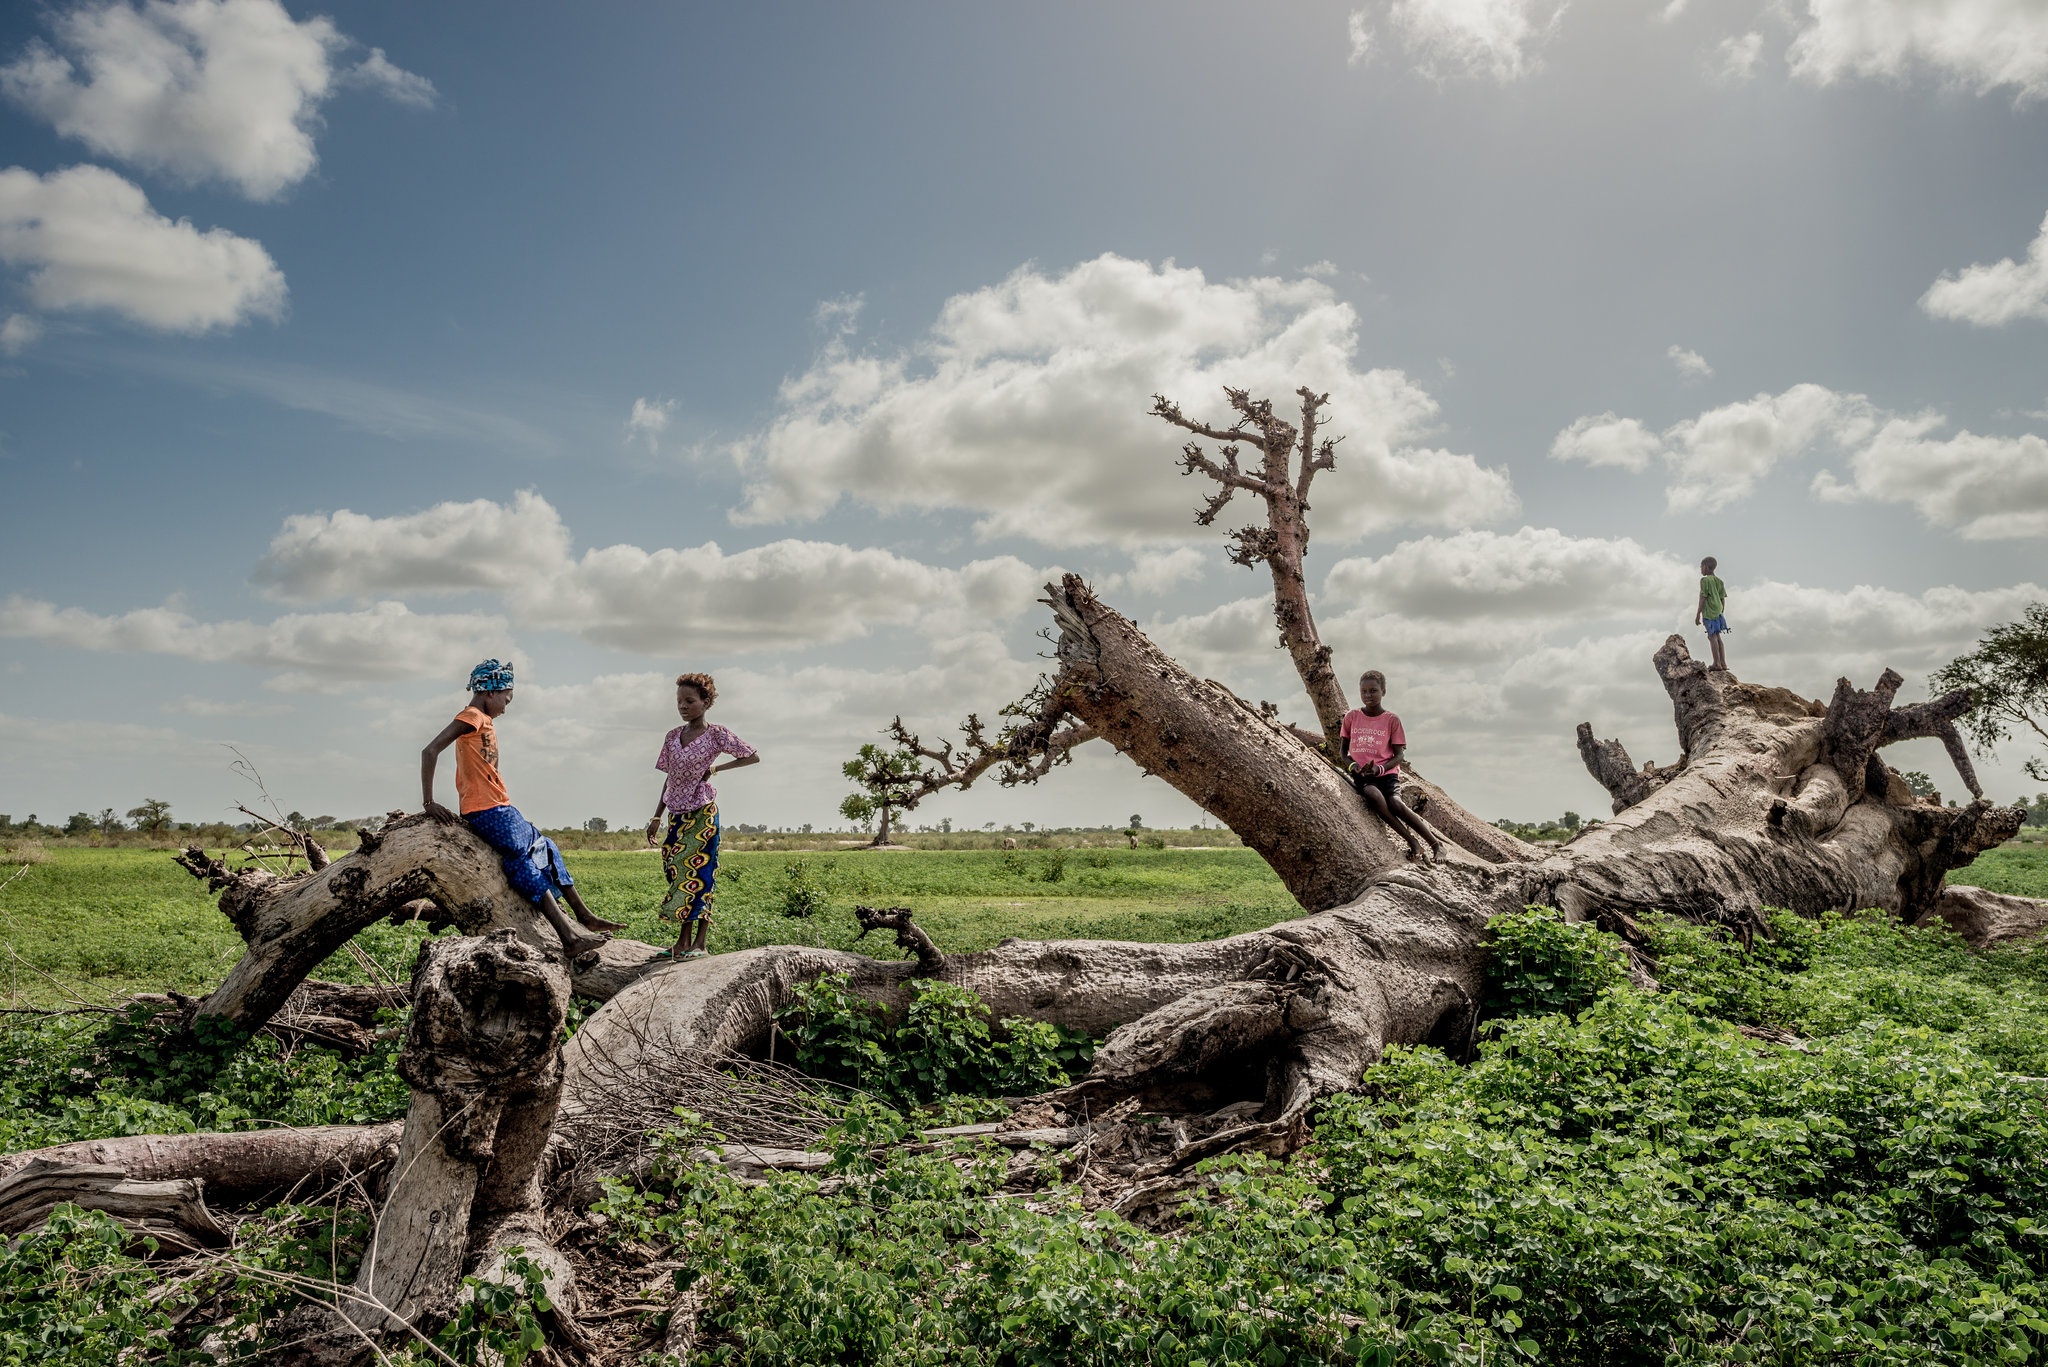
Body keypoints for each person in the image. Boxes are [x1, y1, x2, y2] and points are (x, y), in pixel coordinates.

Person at [421, 659, 620, 960]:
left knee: (546, 846)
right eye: (506, 699)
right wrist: (429, 802)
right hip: (487, 810)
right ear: (490, 692)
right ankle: (569, 937)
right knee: (520, 861)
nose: (505, 707)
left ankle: (584, 916)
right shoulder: (472, 716)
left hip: (499, 806)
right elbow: (430, 750)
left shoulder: (482, 719)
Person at [645, 672, 760, 960]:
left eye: (690, 701)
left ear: (706, 702)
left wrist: (716, 769)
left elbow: (751, 756)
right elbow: (670, 778)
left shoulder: (717, 734)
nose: (683, 706)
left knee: (701, 873)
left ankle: (700, 944)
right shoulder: (672, 736)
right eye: (679, 702)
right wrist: (657, 817)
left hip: (702, 814)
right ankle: (682, 942)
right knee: (679, 874)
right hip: (676, 816)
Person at [1339, 670, 1443, 863]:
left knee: (1395, 803)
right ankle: (1412, 841)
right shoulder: (1351, 717)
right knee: (1373, 795)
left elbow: (1399, 755)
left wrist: (1380, 769)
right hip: (1364, 776)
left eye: (1373, 690)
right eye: (1364, 691)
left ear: (1383, 691)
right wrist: (1352, 765)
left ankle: (1436, 845)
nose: (1368, 695)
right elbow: (1343, 752)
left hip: (1386, 774)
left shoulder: (1391, 720)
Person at [1695, 556, 1731, 673]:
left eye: (1701, 567)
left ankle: (1716, 663)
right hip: (1718, 611)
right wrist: (1721, 612)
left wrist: (1698, 613)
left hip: (1709, 611)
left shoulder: (1705, 581)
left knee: (1712, 637)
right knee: (1718, 637)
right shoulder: (1719, 581)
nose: (1701, 569)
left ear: (1705, 567)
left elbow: (1703, 598)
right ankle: (1723, 663)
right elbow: (1722, 599)